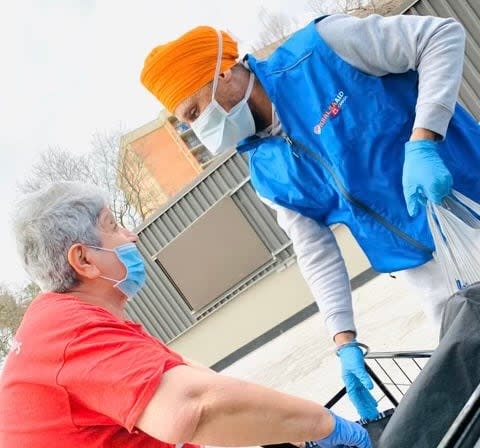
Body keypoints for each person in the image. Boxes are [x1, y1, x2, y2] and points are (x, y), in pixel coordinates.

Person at [139, 13, 480, 421]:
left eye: (195, 111)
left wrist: (423, 139)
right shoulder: (267, 172)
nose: (199, 129)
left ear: (225, 72)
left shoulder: (321, 51)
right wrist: (345, 341)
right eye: (188, 123)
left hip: (468, 203)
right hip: (422, 270)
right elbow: (315, 251)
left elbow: (440, 35)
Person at [0, 181, 370, 448]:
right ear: (83, 260)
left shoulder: (71, 322)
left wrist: (296, 434)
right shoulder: (71, 333)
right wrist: (324, 426)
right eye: (113, 226)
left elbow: (190, 373)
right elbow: (192, 406)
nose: (132, 236)